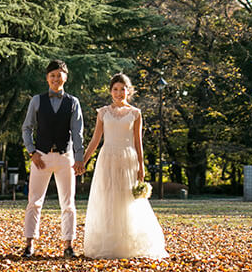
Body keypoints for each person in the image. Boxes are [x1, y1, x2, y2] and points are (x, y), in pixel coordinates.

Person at [81, 73, 168, 259]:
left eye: (122, 89)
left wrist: (141, 166)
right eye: (115, 89)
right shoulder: (103, 112)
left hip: (128, 158)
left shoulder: (135, 113)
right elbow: (95, 140)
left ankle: (128, 242)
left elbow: (138, 142)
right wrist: (84, 160)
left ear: (129, 91)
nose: (119, 93)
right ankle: (109, 241)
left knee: (127, 199)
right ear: (110, 91)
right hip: (107, 158)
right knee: (108, 198)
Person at [20, 59, 85, 259]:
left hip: (65, 157)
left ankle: (68, 244)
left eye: (59, 75)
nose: (56, 79)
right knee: (34, 202)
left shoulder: (73, 102)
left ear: (65, 77)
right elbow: (27, 128)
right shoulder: (37, 101)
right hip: (41, 157)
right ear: (47, 78)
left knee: (68, 203)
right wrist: (32, 152)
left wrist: (79, 158)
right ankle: (29, 244)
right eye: (52, 75)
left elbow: (78, 132)